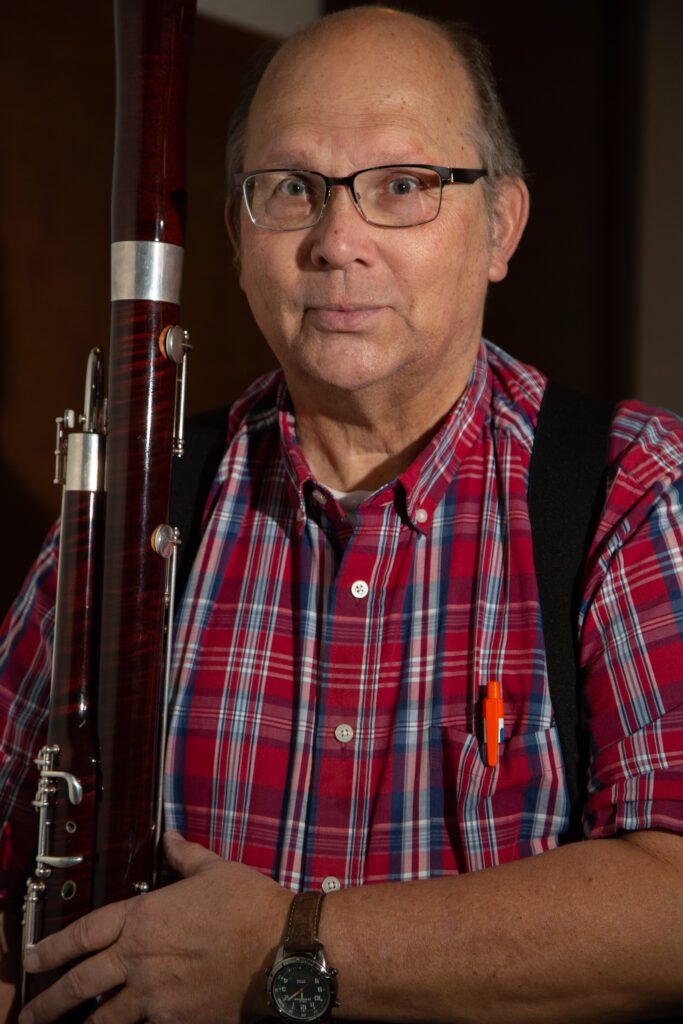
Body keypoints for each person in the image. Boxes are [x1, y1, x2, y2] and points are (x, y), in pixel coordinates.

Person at [2, 5, 682, 1023]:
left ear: (499, 225)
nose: (335, 241)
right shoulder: (126, 507)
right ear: (235, 235)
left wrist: (290, 947)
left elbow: (669, 900)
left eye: (401, 187)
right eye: (290, 190)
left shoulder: (631, 491)